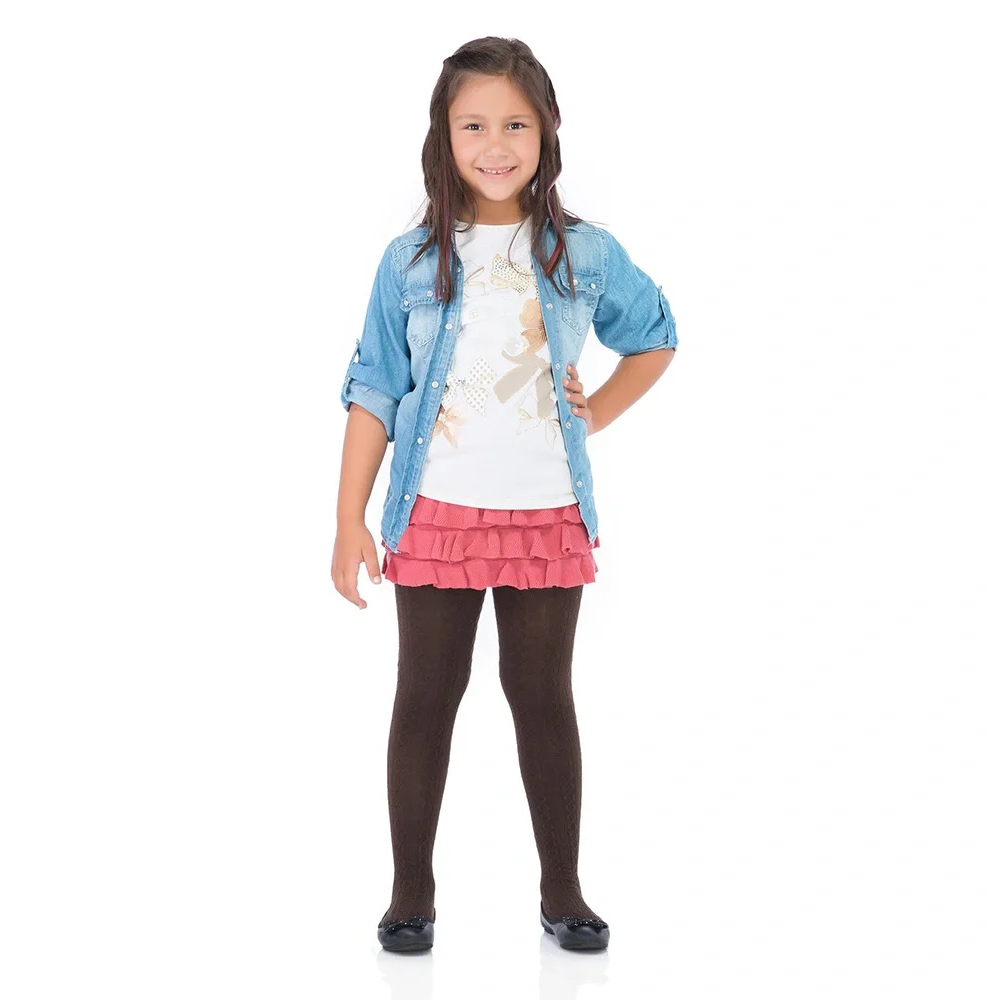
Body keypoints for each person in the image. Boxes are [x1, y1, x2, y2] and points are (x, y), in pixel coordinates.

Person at [331, 37, 678, 952]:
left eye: (516, 125)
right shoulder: (410, 260)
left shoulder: (582, 252)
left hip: (544, 515)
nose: (495, 145)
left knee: (542, 695)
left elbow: (654, 334)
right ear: (443, 136)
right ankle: (411, 893)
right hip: (436, 515)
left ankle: (563, 890)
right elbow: (375, 388)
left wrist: (595, 412)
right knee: (425, 695)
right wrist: (347, 519)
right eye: (474, 125)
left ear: (548, 130)